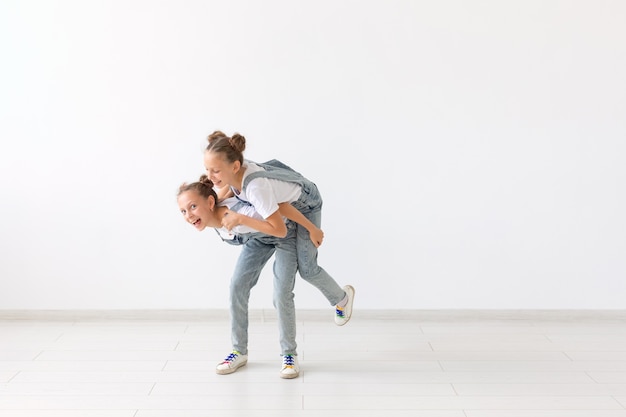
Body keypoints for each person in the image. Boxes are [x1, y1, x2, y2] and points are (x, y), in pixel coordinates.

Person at [203, 131, 355, 326]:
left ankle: (343, 299)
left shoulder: (256, 189)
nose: (210, 176)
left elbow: (280, 225)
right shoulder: (234, 168)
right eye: (207, 169)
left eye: (215, 171)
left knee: (307, 269)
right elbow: (228, 192)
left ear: (235, 167)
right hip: (284, 210)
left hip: (306, 205)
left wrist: (311, 228)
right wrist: (214, 202)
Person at [177, 175, 301, 378]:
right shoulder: (214, 214)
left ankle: (289, 354)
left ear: (209, 203)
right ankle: (239, 351)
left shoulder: (238, 215)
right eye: (183, 211)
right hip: (259, 239)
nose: (189, 215)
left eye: (193, 207)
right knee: (237, 286)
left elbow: (279, 215)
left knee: (281, 294)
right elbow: (221, 193)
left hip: (285, 234)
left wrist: (310, 228)